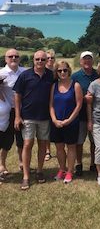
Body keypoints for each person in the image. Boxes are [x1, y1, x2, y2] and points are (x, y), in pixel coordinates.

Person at [14, 50, 54, 190]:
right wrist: (18, 116)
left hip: (44, 117)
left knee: (43, 144)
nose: (40, 62)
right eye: (37, 59)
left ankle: (39, 170)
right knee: (27, 144)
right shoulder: (25, 75)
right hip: (28, 116)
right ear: (33, 60)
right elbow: (17, 95)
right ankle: (26, 176)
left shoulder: (51, 75)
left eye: (43, 59)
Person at [49, 61, 83, 184]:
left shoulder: (76, 85)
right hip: (56, 122)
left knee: (71, 147)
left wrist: (69, 120)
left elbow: (79, 105)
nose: (62, 72)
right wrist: (54, 119)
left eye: (65, 70)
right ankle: (62, 169)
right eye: (59, 71)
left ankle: (69, 171)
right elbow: (51, 105)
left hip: (71, 122)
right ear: (56, 73)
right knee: (59, 147)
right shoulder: (54, 86)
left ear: (69, 70)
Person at [71, 51, 98, 176]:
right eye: (84, 59)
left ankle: (93, 163)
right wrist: (83, 99)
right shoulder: (75, 76)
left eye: (89, 59)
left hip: (96, 114)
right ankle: (79, 164)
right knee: (79, 141)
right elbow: (71, 94)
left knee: (94, 142)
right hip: (80, 114)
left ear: (93, 61)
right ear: (81, 61)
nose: (87, 61)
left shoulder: (98, 75)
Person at [0, 48, 26, 173]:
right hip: (8, 112)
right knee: (7, 140)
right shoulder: (1, 73)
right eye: (10, 56)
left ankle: (21, 162)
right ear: (6, 59)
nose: (14, 58)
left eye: (16, 56)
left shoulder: (25, 72)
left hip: (23, 110)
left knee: (21, 139)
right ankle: (2, 165)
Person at [0, 75, 13, 181]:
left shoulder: (2, 93)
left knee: (6, 146)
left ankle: (2, 167)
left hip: (5, 126)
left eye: (1, 82)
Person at [45, 49, 56, 162]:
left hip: (57, 101)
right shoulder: (43, 71)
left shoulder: (57, 71)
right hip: (45, 101)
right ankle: (48, 151)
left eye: (51, 58)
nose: (49, 60)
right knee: (46, 127)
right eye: (47, 58)